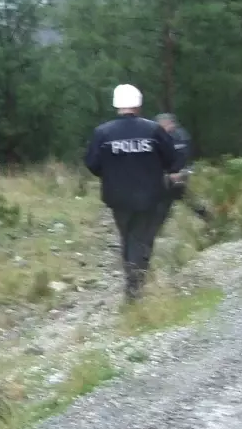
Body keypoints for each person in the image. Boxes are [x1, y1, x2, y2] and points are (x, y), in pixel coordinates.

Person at [85, 84, 179, 302]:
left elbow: (92, 163)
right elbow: (171, 159)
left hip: (117, 195)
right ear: (138, 104)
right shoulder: (154, 130)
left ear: (116, 105)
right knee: (142, 238)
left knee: (127, 236)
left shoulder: (103, 132)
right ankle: (135, 285)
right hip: (150, 194)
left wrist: (111, 173)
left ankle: (133, 280)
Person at [155, 112, 209, 221]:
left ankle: (205, 215)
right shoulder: (163, 136)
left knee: (176, 195)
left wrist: (177, 172)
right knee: (175, 196)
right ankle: (205, 215)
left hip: (178, 173)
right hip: (168, 174)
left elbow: (183, 156)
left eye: (161, 124)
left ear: (168, 123)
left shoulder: (180, 136)